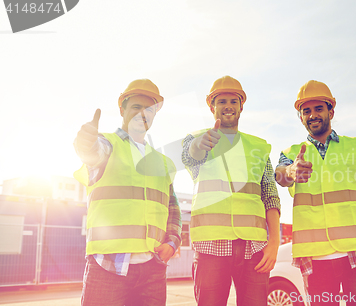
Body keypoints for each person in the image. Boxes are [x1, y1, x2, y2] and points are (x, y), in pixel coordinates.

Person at [275, 80, 356, 305]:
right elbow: (280, 176)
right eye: (306, 111)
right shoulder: (292, 153)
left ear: (331, 110)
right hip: (316, 260)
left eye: (318, 109)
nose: (312, 115)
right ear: (300, 117)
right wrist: (292, 171)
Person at [73, 79, 181, 306]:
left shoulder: (162, 162)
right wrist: (86, 143)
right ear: (122, 109)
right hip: (107, 266)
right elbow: (94, 152)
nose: (143, 113)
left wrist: (172, 242)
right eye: (136, 107)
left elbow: (172, 208)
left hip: (152, 268)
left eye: (149, 109)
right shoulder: (107, 143)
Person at [181, 75, 281, 306]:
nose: (228, 106)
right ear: (211, 106)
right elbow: (189, 156)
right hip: (210, 248)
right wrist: (199, 146)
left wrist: (274, 244)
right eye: (222, 101)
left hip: (254, 249)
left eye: (233, 101)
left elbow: (270, 195)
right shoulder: (196, 140)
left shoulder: (258, 147)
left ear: (241, 106)